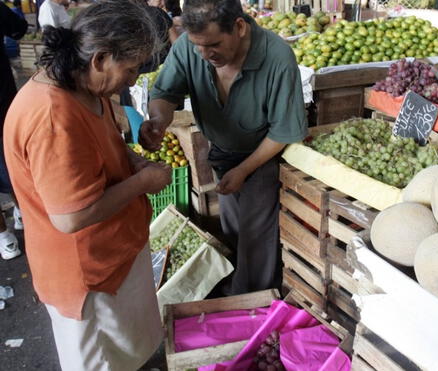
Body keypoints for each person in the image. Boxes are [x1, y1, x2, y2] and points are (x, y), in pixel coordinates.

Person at [3, 1, 172, 369]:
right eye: (129, 70)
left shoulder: (87, 89)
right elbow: (70, 216)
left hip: (114, 256)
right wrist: (143, 181)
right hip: (86, 275)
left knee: (130, 355)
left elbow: (105, 148)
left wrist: (135, 160)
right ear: (99, 59)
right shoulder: (52, 116)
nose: (131, 81)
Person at [141, 0, 307, 296]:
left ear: (239, 27)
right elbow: (166, 93)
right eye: (198, 46)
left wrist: (244, 169)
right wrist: (158, 120)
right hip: (222, 153)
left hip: (264, 155)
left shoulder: (278, 57)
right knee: (233, 230)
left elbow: (283, 132)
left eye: (214, 44)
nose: (205, 55)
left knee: (257, 236)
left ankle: (254, 304)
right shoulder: (189, 49)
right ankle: (237, 288)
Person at [0, 1, 27, 260]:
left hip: (3, 100)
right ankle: (22, 216)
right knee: (11, 159)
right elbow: (19, 29)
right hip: (2, 101)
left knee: (10, 159)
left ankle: (5, 237)